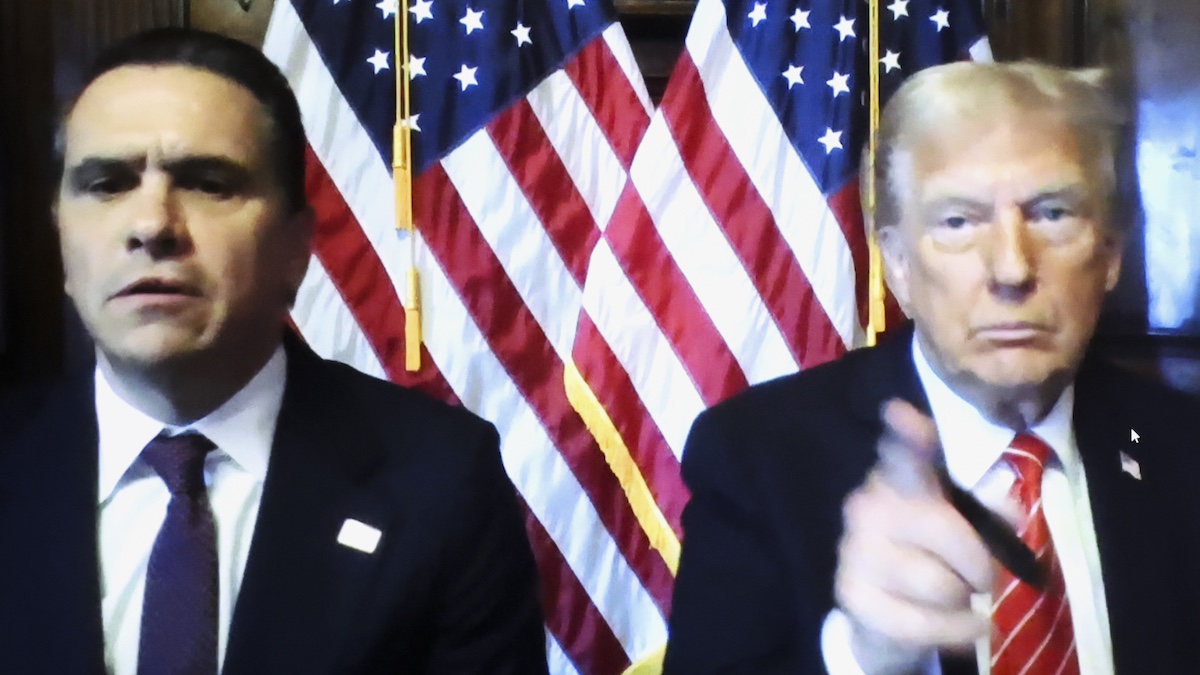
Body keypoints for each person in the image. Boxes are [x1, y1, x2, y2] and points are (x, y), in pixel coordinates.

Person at [0, 27, 548, 675]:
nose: (151, 226)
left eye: (207, 182)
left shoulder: (442, 483)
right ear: (61, 236)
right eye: (107, 183)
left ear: (297, 246)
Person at [663, 61, 1200, 674]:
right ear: (897, 265)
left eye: (1052, 213)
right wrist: (861, 659)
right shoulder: (759, 458)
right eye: (958, 221)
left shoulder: (1182, 448)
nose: (1011, 269)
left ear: (1109, 255)